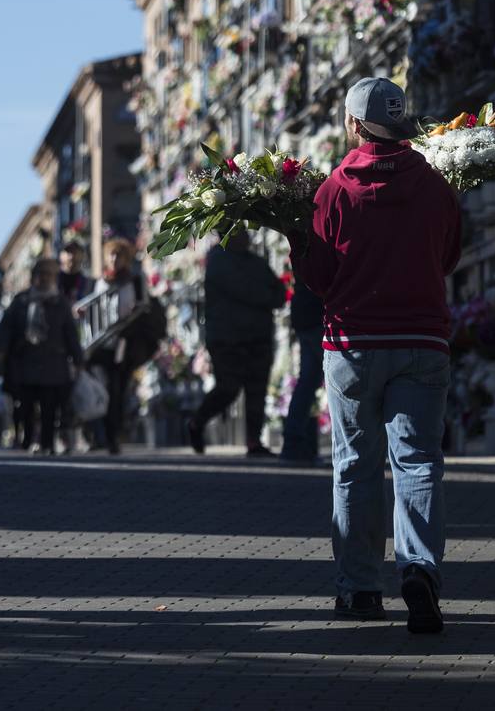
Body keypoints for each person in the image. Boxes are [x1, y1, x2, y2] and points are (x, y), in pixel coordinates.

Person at [289, 77, 461, 634]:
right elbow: (449, 257)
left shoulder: (335, 189)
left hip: (354, 345)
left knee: (356, 466)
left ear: (356, 125)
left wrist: (296, 239)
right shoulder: (437, 186)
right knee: (417, 461)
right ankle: (420, 570)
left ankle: (361, 590)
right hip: (422, 341)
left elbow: (319, 279)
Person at [186, 229, 286, 458]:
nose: (246, 236)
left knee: (257, 390)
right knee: (228, 388)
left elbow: (279, 293)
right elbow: (250, 292)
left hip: (257, 336)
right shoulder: (218, 260)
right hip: (227, 338)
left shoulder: (256, 262)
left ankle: (253, 441)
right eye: (240, 232)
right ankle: (197, 422)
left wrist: (268, 297)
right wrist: (266, 297)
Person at [0, 258, 83, 455]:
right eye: (40, 274)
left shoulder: (60, 302)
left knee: (49, 407)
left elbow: (70, 333)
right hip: (25, 361)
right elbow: (5, 329)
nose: (43, 278)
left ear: (54, 278)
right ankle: (27, 439)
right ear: (33, 277)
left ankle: (47, 443)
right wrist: (0, 353)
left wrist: (78, 359)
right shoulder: (21, 301)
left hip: (53, 363)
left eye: (48, 274)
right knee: (25, 405)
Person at [84, 239, 144, 455]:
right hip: (98, 345)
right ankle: (95, 435)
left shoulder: (134, 281)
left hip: (122, 345)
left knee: (116, 392)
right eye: (111, 255)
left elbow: (140, 312)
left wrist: (126, 333)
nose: (114, 259)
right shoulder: (96, 282)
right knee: (96, 390)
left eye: (119, 255)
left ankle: (112, 437)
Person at [281, 273, 325, 464]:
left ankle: (293, 442)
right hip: (317, 314)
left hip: (305, 313)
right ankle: (294, 442)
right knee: (331, 380)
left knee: (308, 381)